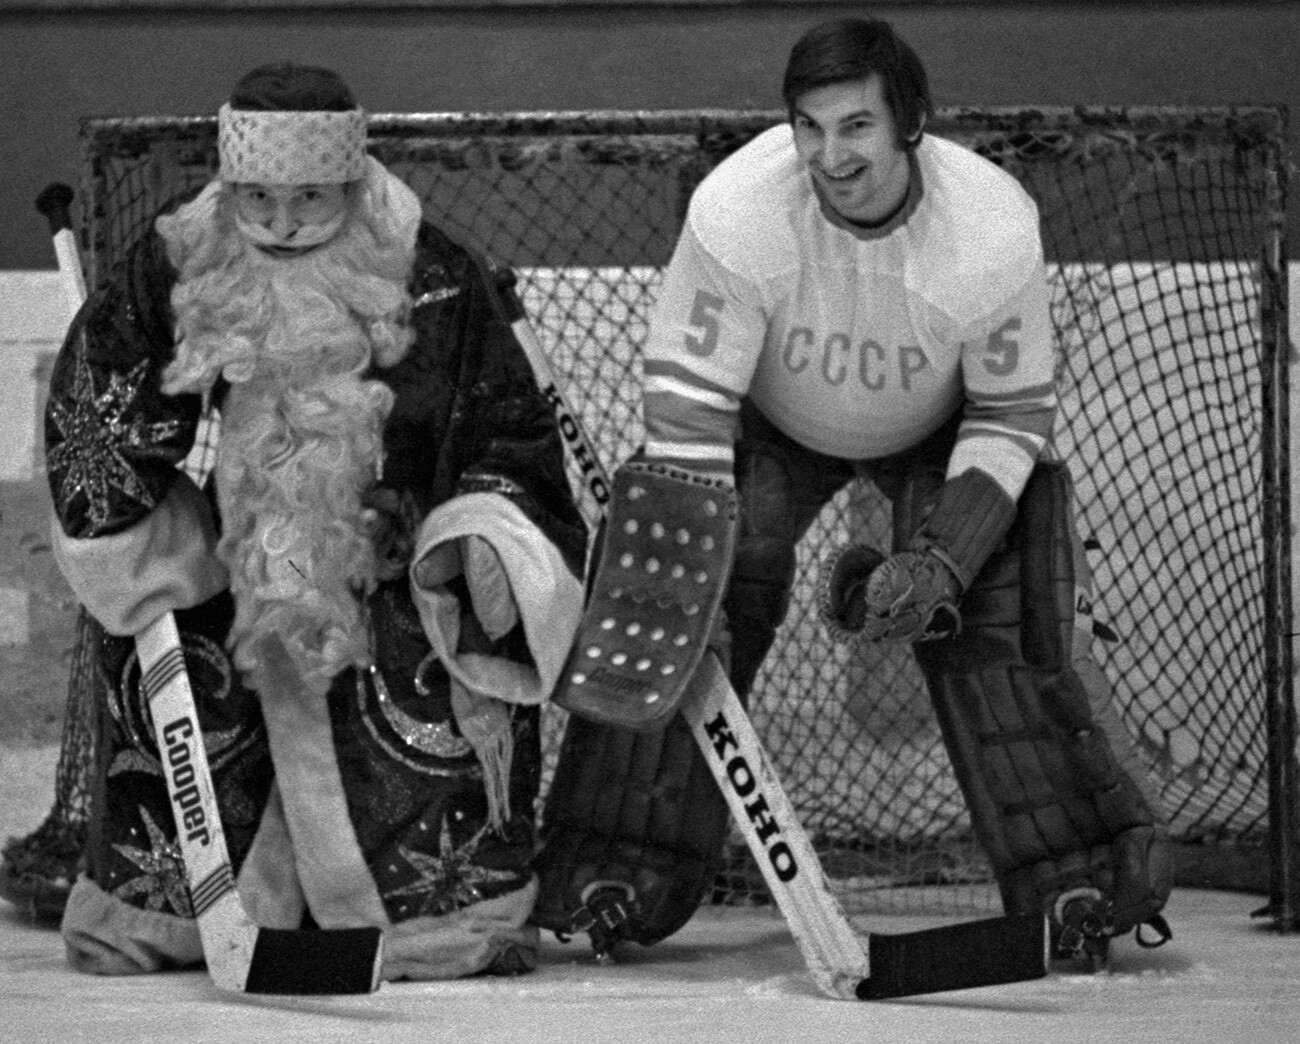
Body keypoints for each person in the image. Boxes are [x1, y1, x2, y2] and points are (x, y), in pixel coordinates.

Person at [534, 16, 1171, 966]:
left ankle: (1076, 882)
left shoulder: (990, 227)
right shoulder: (739, 208)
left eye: (858, 127)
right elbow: (688, 404)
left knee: (989, 625)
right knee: (675, 602)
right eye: (810, 127)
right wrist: (691, 580)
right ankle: (609, 867)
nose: (831, 155)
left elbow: (1010, 417)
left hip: (941, 433)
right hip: (772, 426)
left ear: (910, 122)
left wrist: (943, 557)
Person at [40, 63, 587, 980]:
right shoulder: (183, 249)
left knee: (421, 672)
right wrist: (146, 551)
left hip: (390, 555)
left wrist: (484, 536)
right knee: (165, 649)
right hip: (235, 550)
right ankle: (171, 913)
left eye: (307, 198)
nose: (280, 222)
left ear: (349, 180)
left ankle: (432, 921)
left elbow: (508, 429)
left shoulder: (434, 271)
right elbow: (97, 419)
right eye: (256, 196)